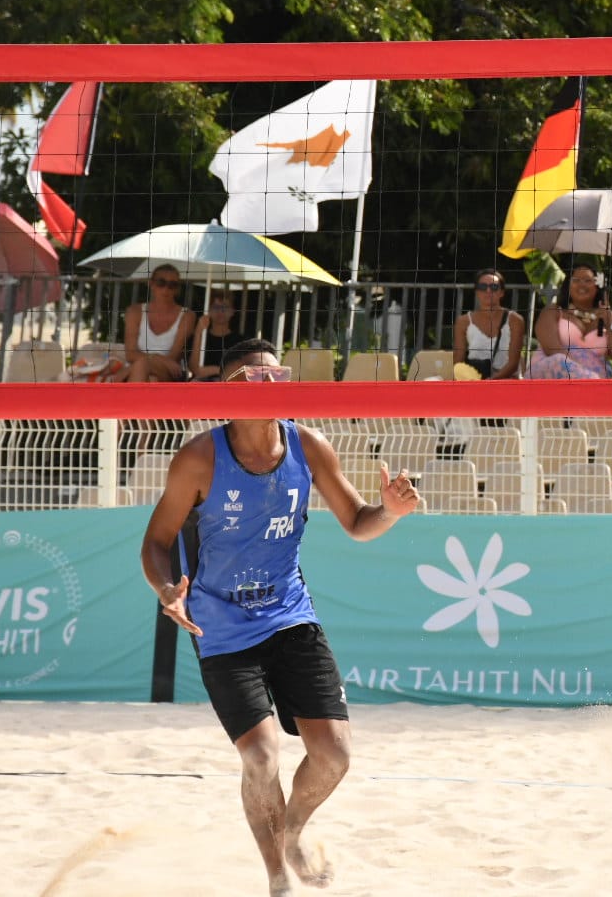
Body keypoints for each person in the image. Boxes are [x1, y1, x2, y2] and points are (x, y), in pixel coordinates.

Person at [139, 338, 420, 896]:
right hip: (219, 624)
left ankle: (291, 834)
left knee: (335, 755)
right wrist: (166, 588)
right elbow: (156, 541)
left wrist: (389, 510)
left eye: (280, 375)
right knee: (262, 756)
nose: (273, 384)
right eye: (257, 376)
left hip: (290, 614)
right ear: (230, 391)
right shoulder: (199, 458)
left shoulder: (308, 445)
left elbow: (358, 522)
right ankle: (275, 876)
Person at [526, 264, 612, 379]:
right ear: (568, 285)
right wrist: (583, 373)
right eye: (576, 280)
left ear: (597, 286)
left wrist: (609, 326)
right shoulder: (553, 311)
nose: (582, 284)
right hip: (553, 373)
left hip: (596, 379)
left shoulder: (610, 316)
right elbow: (552, 349)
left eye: (588, 280)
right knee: (560, 360)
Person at [123, 264, 196, 382]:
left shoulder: (187, 316)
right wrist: (156, 358)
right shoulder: (134, 312)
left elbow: (173, 357)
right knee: (146, 372)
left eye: (172, 285)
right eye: (161, 283)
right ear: (151, 283)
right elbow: (130, 354)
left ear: (177, 289)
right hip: (141, 370)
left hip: (169, 373)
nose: (166, 289)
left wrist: (150, 360)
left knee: (141, 365)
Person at [454, 268, 525, 379]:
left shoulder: (515, 320)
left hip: (507, 382)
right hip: (476, 382)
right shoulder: (463, 321)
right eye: (482, 287)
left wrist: (489, 382)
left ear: (501, 292)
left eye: (493, 287)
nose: (488, 291)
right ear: (477, 292)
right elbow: (458, 362)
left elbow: (513, 364)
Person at [188, 289, 252, 381]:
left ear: (232, 311)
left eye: (225, 307)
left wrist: (214, 370)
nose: (220, 311)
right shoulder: (201, 337)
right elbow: (194, 368)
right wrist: (198, 332)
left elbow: (239, 371)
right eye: (215, 307)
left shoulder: (240, 341)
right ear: (209, 311)